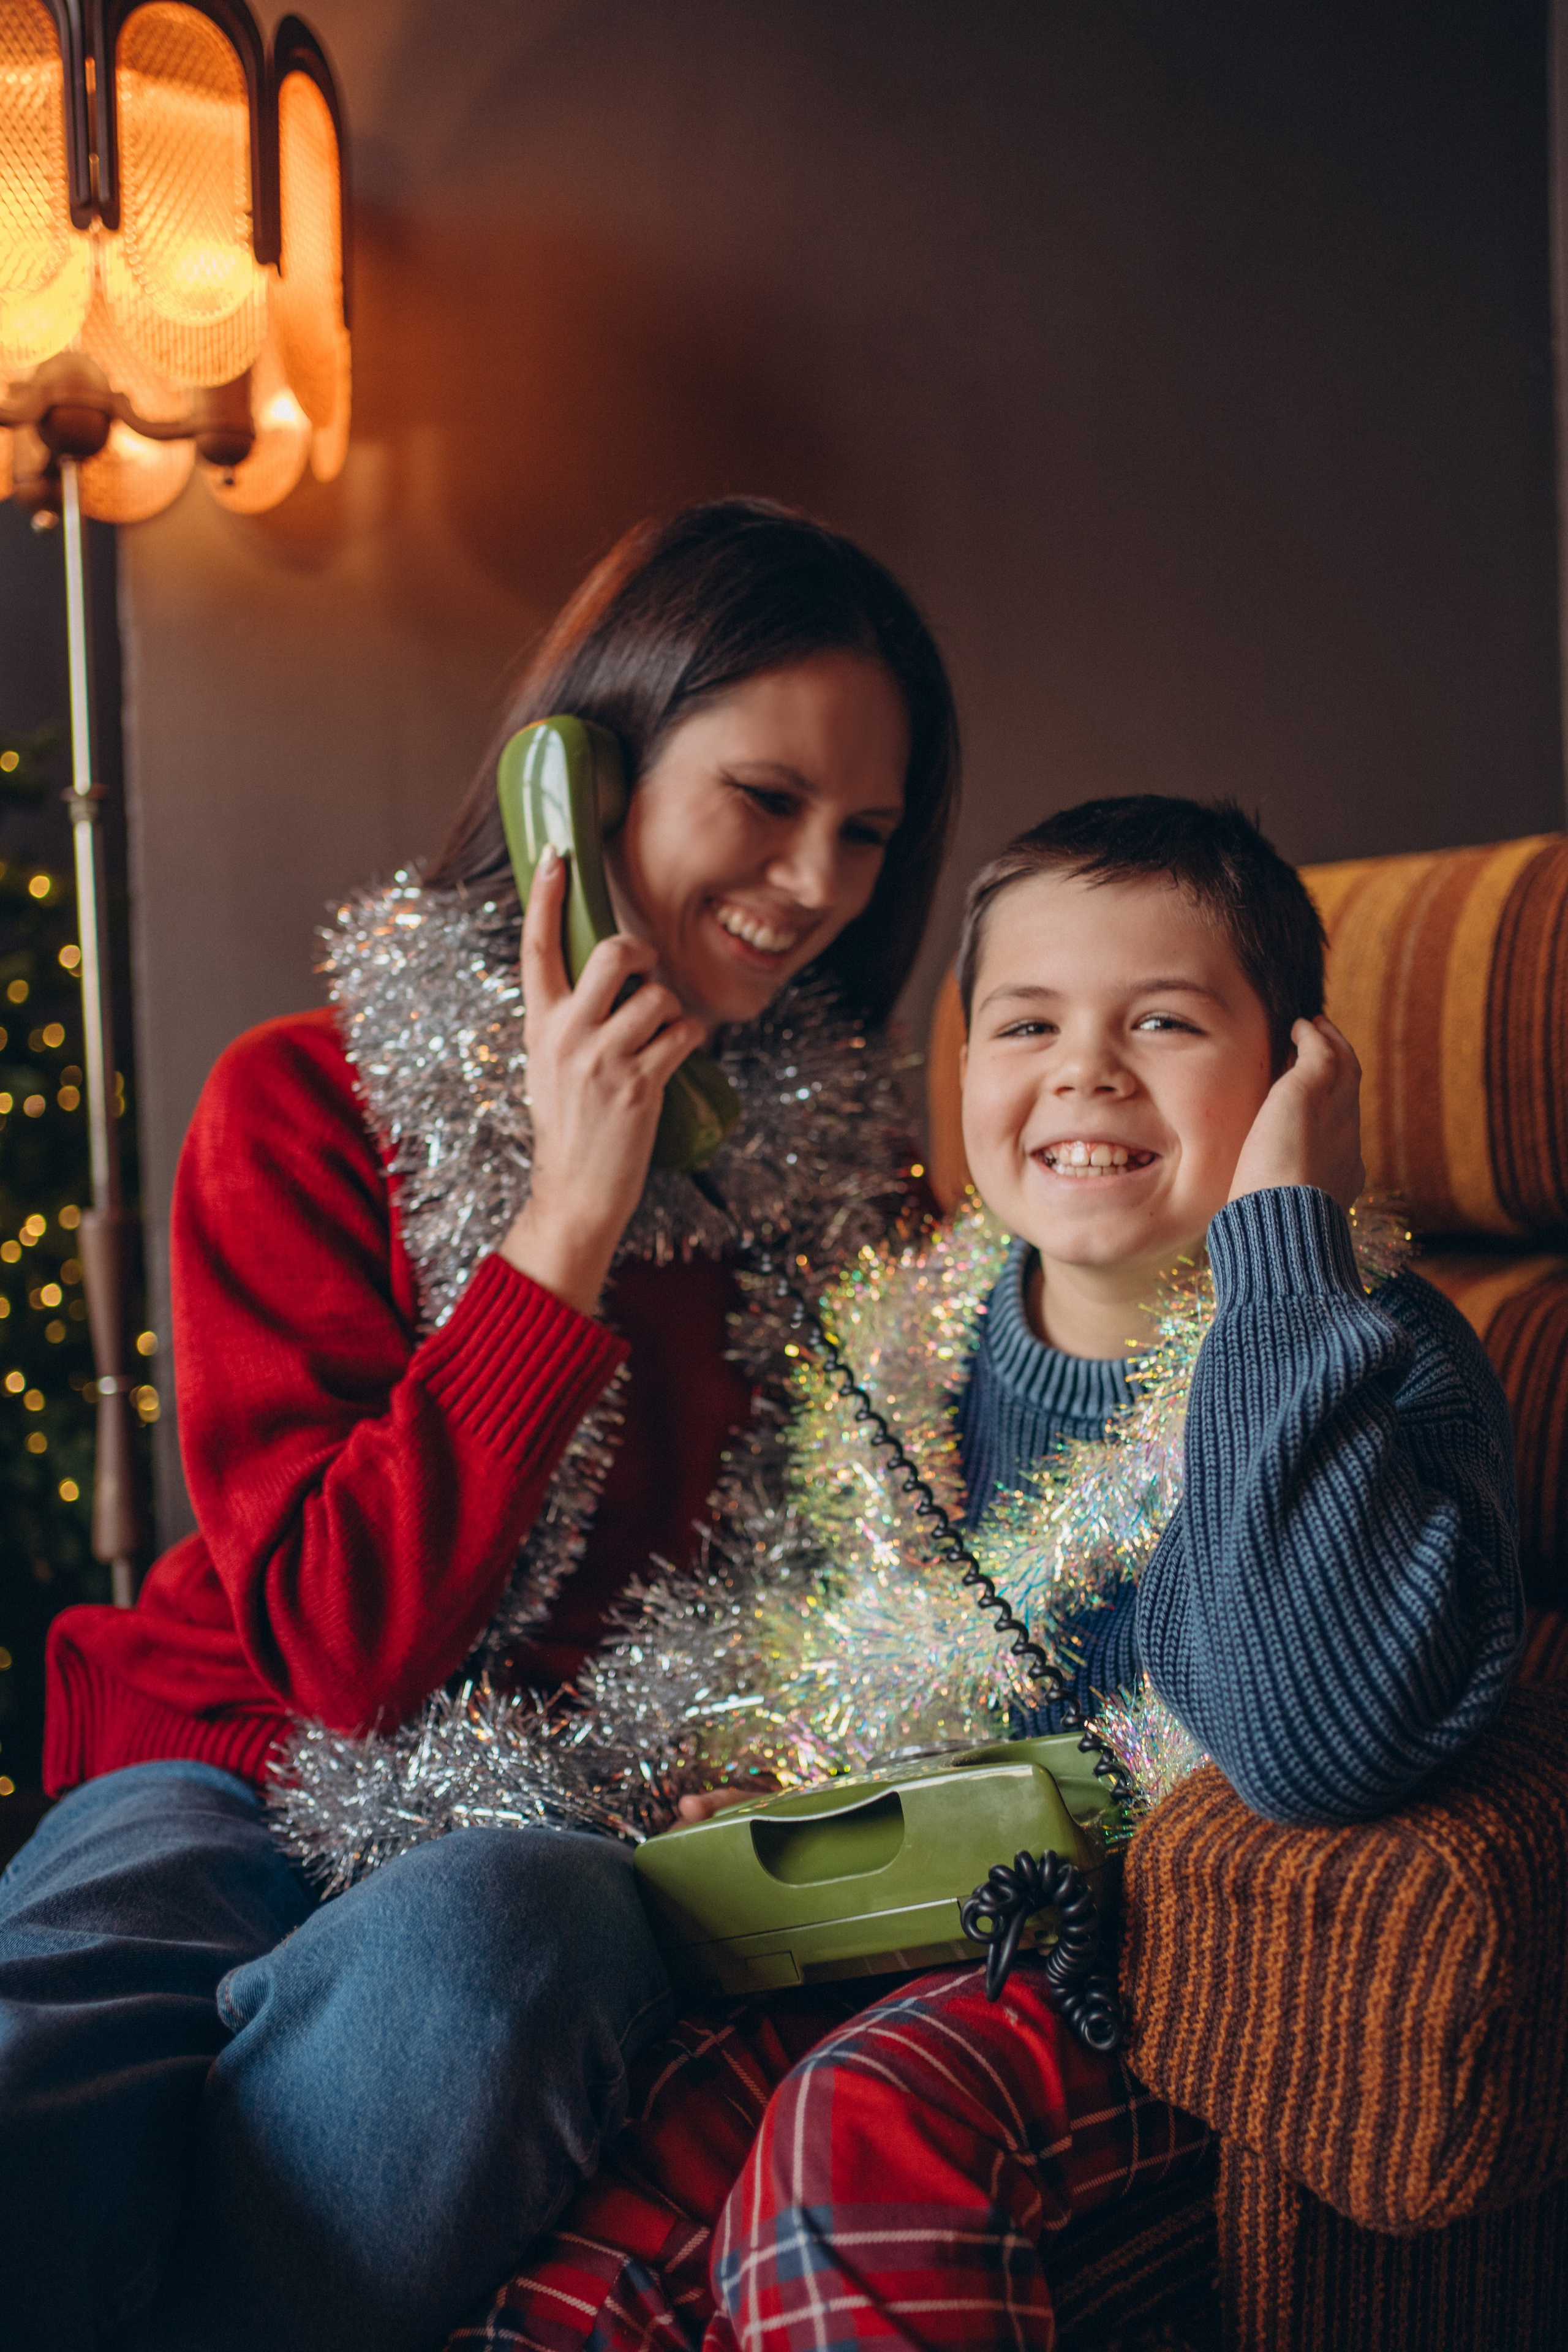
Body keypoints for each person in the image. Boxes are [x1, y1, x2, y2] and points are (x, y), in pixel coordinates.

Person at [0, 498, 960, 2352]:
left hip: (553, 1824)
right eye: (766, 800)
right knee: (63, 2015)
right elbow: (338, 1655)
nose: (820, 885)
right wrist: (562, 1227)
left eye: (869, 834)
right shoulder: (298, 1106)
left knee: (507, 1939)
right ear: (577, 787)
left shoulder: (842, 1210)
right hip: (224, 1755)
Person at [458, 795, 1523, 2352]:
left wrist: (1282, 1251)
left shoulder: (1374, 1355)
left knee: (861, 2130)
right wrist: (762, 1789)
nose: (1083, 1069)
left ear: (1295, 1070)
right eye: (1024, 1022)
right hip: (902, 1941)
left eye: (1161, 1020)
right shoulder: (895, 1351)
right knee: (634, 2150)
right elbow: (828, 1668)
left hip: (1162, 1986)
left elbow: (1317, 1743)